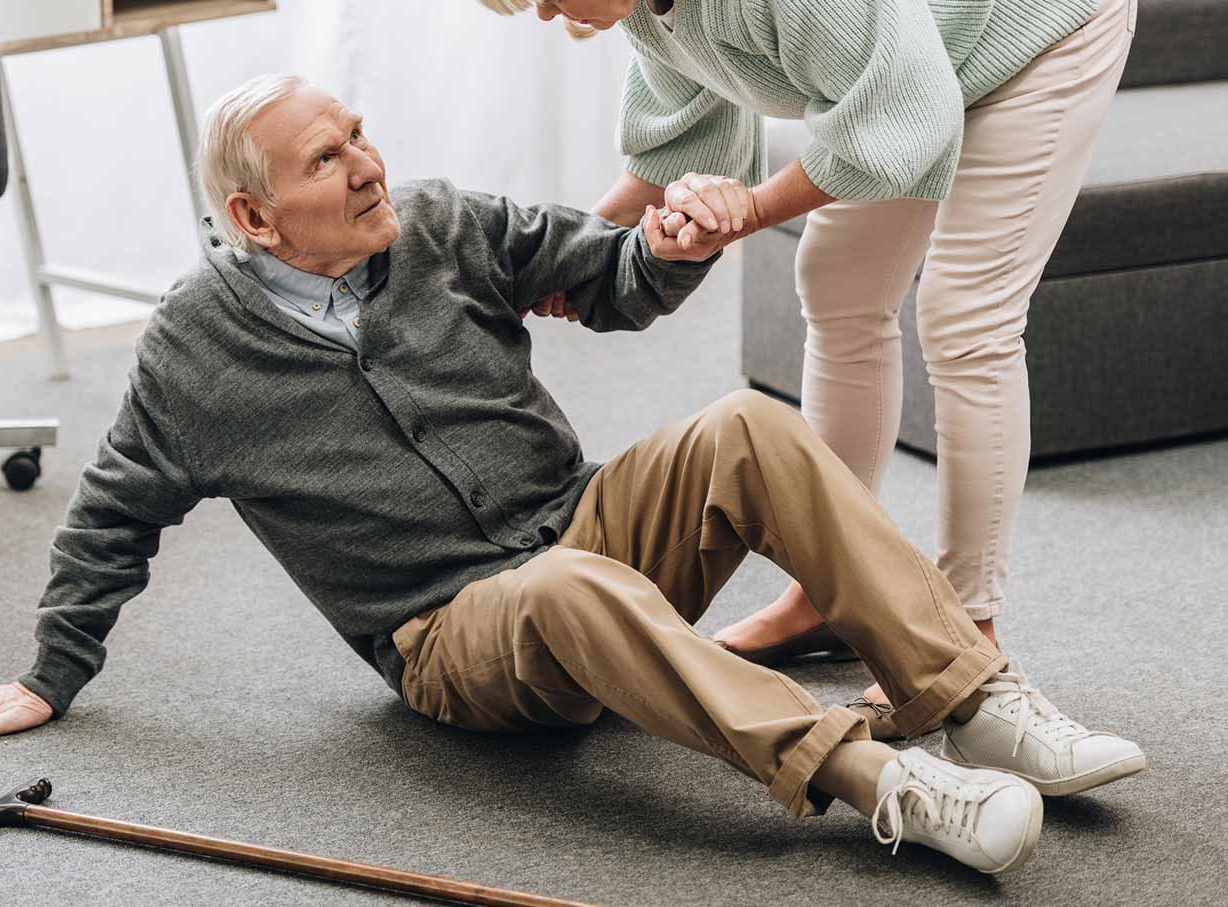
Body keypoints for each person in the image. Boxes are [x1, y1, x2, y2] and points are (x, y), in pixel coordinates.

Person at [0, 75, 1143, 875]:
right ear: (256, 219)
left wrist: (670, 242)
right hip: (451, 637)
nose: (368, 163)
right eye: (327, 159)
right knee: (565, 589)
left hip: (583, 527)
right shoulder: (192, 352)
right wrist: (47, 675)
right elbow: (112, 513)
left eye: (360, 133)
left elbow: (606, 278)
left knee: (743, 427)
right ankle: (884, 781)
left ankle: (966, 698)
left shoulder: (435, 221)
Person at [485, 0, 1138, 737]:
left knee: (965, 317)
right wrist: (555, 263)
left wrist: (745, 212)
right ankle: (827, 591)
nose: (543, 13)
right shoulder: (642, 9)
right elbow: (681, 152)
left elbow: (900, 120)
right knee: (838, 283)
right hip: (914, 61)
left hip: (1039, 32)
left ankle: (965, 634)